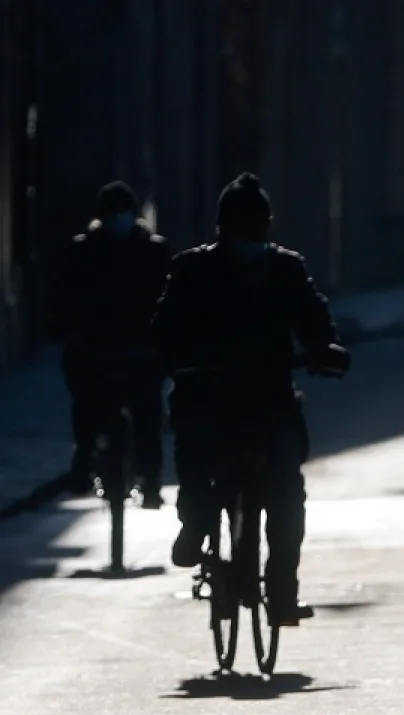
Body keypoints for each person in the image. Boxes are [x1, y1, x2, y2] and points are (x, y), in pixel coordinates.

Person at [152, 172, 349, 626]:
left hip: (269, 397)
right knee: (197, 461)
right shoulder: (193, 269)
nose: (252, 236)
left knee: (286, 492)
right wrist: (176, 359)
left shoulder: (285, 268)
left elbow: (312, 315)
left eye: (259, 227)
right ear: (223, 228)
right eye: (243, 227)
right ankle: (196, 525)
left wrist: (327, 351)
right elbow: (165, 326)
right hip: (208, 394)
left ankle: (282, 590)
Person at [53, 181, 172, 504]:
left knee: (148, 414)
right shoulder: (83, 250)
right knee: (87, 408)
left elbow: (170, 300)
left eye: (122, 213)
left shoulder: (152, 250)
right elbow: (63, 299)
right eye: (112, 213)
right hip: (95, 351)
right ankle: (84, 461)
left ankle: (150, 480)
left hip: (141, 351)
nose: (118, 219)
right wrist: (73, 334)